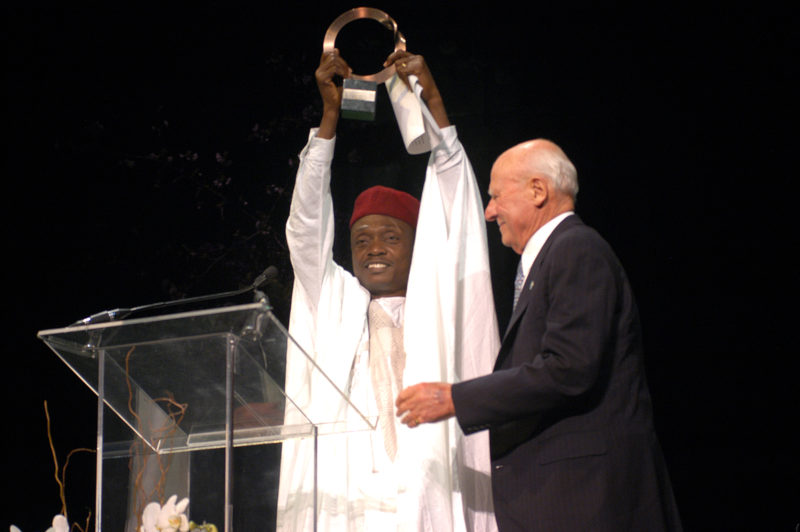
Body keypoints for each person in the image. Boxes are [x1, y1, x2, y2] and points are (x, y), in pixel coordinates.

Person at [396, 139, 683, 531]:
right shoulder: (553, 259)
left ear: (538, 190)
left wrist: (455, 398)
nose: (489, 211)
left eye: (496, 196)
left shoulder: (576, 249)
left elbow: (569, 368)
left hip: (586, 499)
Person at [276, 48, 499, 531]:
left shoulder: (437, 300)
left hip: (428, 491)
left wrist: (431, 97)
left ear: (418, 248)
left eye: (391, 236)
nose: (374, 248)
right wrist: (330, 117)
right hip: (347, 500)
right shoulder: (333, 302)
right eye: (361, 239)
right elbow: (306, 226)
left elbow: (455, 195)